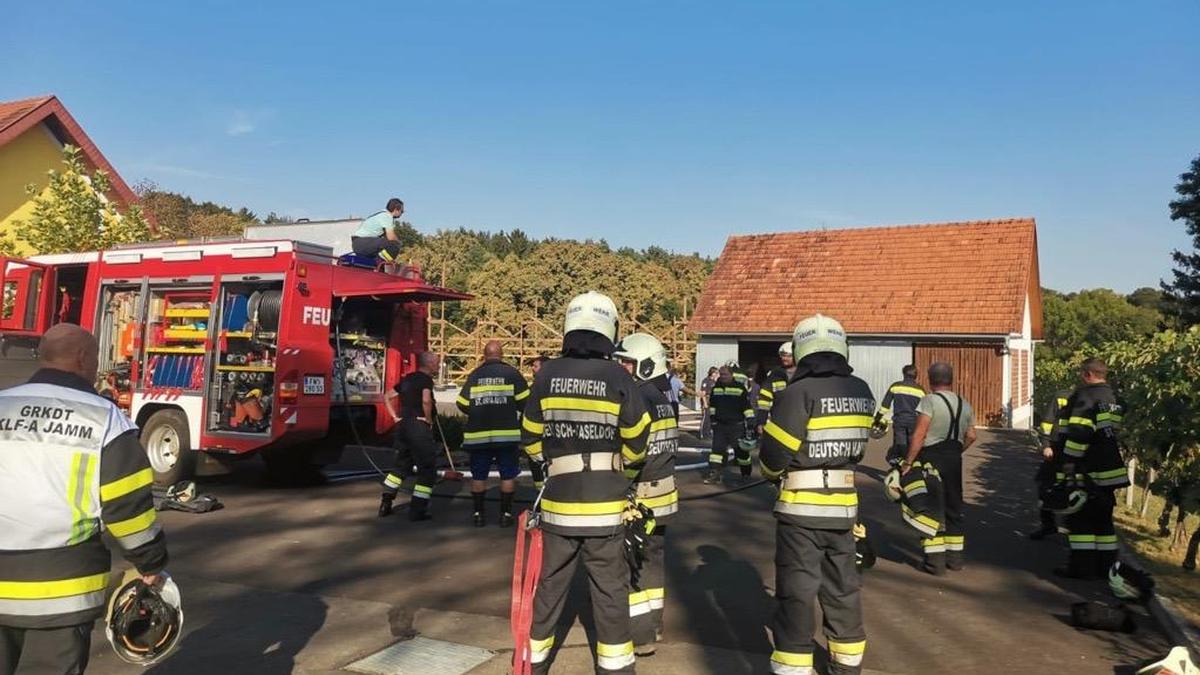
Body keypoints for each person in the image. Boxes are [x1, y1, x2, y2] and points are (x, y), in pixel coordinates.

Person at [0, 323, 169, 673]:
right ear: (83, 359)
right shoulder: (105, 420)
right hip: (59, 592)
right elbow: (128, 511)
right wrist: (150, 563)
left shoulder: (3, 405)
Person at [522, 291, 650, 674]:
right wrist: (620, 472)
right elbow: (639, 441)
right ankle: (614, 667)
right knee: (611, 592)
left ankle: (535, 663)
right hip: (606, 506)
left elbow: (529, 437)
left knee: (549, 587)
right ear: (609, 329)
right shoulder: (617, 376)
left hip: (559, 505)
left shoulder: (546, 374)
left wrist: (546, 470)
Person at [759, 314, 874, 675]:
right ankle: (847, 665)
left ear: (801, 349)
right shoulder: (861, 391)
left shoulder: (797, 393)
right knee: (843, 590)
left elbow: (773, 458)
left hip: (801, 515)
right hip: (844, 511)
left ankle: (794, 667)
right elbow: (857, 449)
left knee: (797, 593)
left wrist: (771, 473)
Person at [613, 333, 679, 657]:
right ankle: (654, 623)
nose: (622, 367)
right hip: (664, 496)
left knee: (633, 563)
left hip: (639, 498)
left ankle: (640, 637)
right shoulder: (663, 398)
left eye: (628, 362)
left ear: (646, 365)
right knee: (654, 559)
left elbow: (633, 454)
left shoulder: (637, 397)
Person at [1052, 358, 1129, 579]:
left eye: (1081, 374)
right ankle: (1106, 567)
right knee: (1104, 522)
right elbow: (1112, 430)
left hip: (1088, 468)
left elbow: (1079, 434)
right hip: (1110, 468)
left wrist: (1068, 462)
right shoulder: (1112, 398)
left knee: (1080, 521)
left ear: (1087, 374)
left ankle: (1081, 568)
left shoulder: (1085, 397)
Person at [900, 362, 977, 575]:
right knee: (954, 508)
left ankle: (935, 563)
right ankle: (955, 560)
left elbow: (919, 435)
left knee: (931, 509)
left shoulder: (929, 401)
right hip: (953, 458)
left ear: (930, 380)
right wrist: (957, 451)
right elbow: (972, 435)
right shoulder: (965, 403)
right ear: (951, 380)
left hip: (930, 459)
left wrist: (908, 463)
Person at [457, 340, 530, 527]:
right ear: (502, 354)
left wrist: (476, 411)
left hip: (478, 437)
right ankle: (505, 515)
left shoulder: (475, 375)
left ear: (484, 355)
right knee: (507, 476)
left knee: (478, 476)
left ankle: (478, 514)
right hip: (506, 436)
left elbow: (462, 403)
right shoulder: (512, 374)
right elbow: (526, 403)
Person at [379, 352, 440, 521]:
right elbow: (426, 401)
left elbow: (388, 396)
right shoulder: (426, 380)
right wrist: (428, 420)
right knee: (427, 470)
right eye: (436, 363)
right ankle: (417, 511)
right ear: (428, 364)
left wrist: (395, 417)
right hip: (418, 428)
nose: (438, 366)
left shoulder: (408, 378)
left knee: (400, 467)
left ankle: (386, 502)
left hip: (403, 426)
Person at [1030, 389, 1071, 540]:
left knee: (1074, 492)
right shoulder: (1061, 396)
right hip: (1055, 452)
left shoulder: (1091, 399)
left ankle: (1073, 528)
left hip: (1076, 456)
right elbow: (1047, 423)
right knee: (1045, 487)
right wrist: (1046, 445)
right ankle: (1048, 525)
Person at [704, 365, 755, 485]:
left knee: (741, 452)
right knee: (716, 451)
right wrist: (713, 420)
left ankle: (746, 475)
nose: (722, 377)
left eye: (725, 374)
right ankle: (715, 474)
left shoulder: (740, 388)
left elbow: (746, 406)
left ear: (732, 375)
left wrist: (751, 420)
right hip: (720, 426)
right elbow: (713, 406)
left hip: (736, 426)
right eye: (721, 374)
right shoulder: (716, 388)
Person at [874, 366, 925, 465]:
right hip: (914, 422)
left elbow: (885, 405)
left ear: (904, 374)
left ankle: (899, 467)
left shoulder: (895, 386)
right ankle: (911, 468)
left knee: (900, 445)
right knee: (911, 445)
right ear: (916, 376)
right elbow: (924, 410)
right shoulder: (921, 391)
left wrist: (878, 418)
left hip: (899, 421)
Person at [351, 197, 405, 262]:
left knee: (387, 245)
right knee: (394, 245)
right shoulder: (387, 216)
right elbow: (391, 237)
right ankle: (382, 263)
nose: (402, 213)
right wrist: (399, 243)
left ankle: (377, 262)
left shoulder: (381, 214)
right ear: (396, 210)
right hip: (362, 243)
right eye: (402, 211)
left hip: (359, 244)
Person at [756, 341, 796, 424]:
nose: (785, 358)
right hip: (778, 419)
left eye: (789, 356)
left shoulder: (803, 373)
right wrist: (761, 422)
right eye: (783, 355)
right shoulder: (775, 375)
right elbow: (764, 399)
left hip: (799, 418)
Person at [527, 355, 551, 489]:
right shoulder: (535, 387)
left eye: (535, 366)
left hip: (543, 437)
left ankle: (543, 495)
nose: (532, 369)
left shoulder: (540, 388)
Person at [699, 367, 718, 439]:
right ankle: (703, 433)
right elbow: (703, 392)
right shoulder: (706, 381)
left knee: (711, 418)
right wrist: (705, 403)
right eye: (715, 373)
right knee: (705, 418)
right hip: (706, 400)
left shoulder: (714, 381)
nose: (716, 374)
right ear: (712, 373)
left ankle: (709, 432)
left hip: (713, 401)